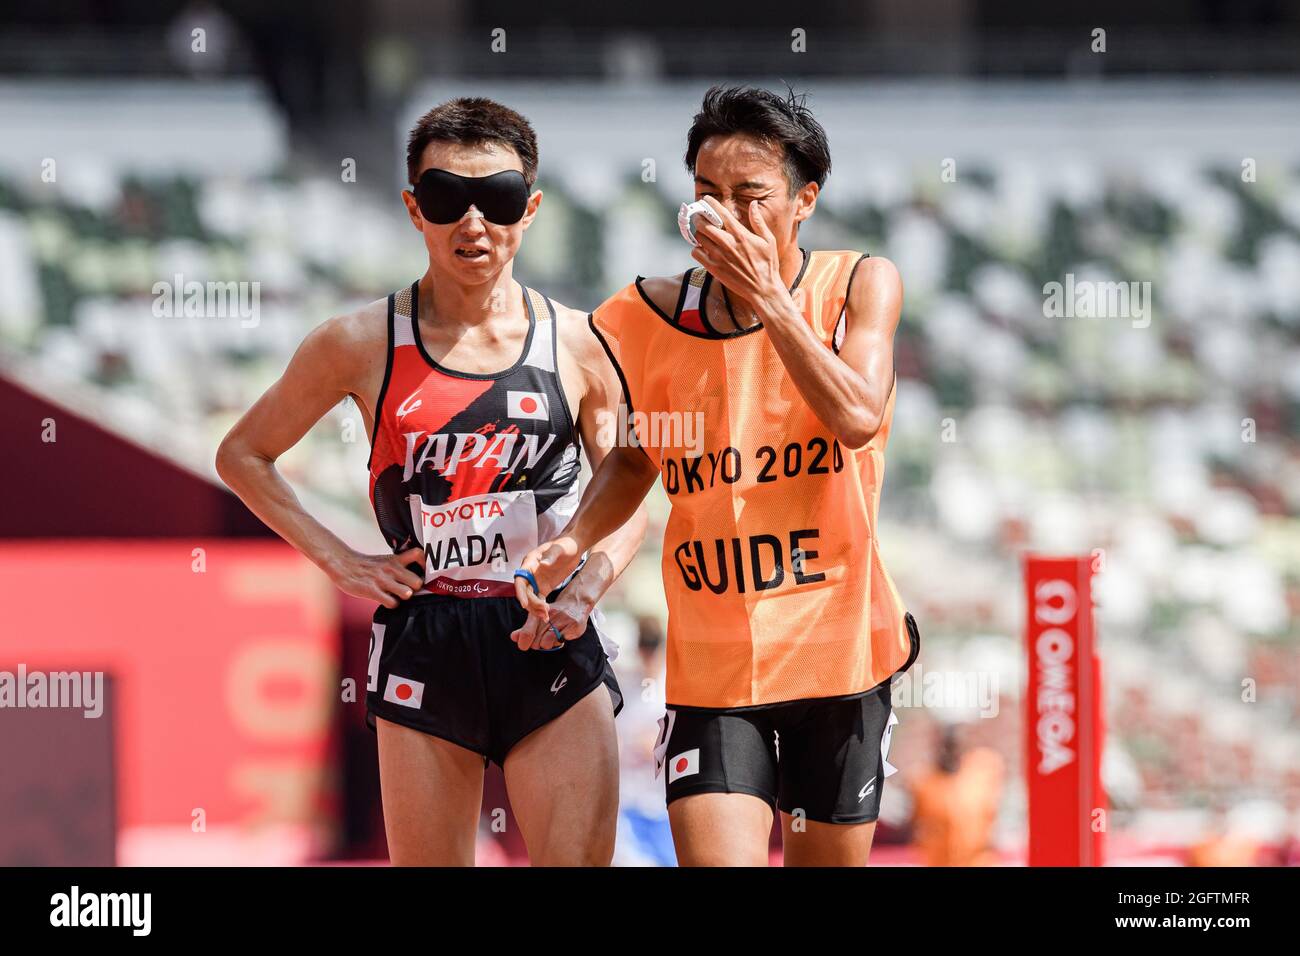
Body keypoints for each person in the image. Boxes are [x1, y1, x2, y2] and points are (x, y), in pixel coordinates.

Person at [217, 97, 646, 865]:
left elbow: (633, 487)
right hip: (428, 638)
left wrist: (586, 588)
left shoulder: (580, 344)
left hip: (547, 630)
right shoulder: (357, 343)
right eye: (448, 198)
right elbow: (243, 454)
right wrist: (340, 560)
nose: (474, 222)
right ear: (415, 209)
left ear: (532, 208)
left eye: (500, 198)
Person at [515, 85, 919, 866]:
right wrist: (573, 543)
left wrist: (769, 295)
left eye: (749, 196)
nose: (723, 215)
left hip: (839, 659)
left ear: (804, 199)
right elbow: (637, 455)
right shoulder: (642, 316)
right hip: (712, 669)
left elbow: (857, 417)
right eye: (705, 194)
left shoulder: (859, 286)